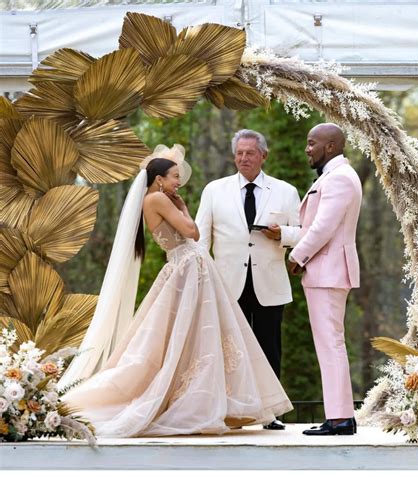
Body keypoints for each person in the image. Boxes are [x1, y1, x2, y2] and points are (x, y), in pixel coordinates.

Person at [60, 144, 293, 437]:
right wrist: (183, 208)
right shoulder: (158, 198)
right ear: (158, 179)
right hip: (188, 267)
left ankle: (217, 402)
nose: (177, 182)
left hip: (188, 266)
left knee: (194, 335)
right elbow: (192, 231)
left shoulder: (153, 198)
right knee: (194, 334)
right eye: (173, 176)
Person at [195, 130, 301, 430]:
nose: (244, 158)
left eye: (250, 153)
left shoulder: (286, 191)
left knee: (269, 349)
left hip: (270, 284)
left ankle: (270, 414)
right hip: (228, 285)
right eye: (239, 153)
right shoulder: (214, 190)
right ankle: (232, 412)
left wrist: (282, 233)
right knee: (230, 351)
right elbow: (202, 237)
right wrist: (203, 278)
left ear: (263, 155)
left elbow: (304, 233)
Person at [288, 123, 362, 436]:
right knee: (329, 345)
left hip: (328, 272)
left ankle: (341, 419)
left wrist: (297, 255)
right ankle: (338, 415)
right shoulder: (337, 177)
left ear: (330, 146)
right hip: (326, 272)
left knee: (330, 345)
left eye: (311, 143)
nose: (307, 149)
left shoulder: (341, 178)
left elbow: (323, 228)